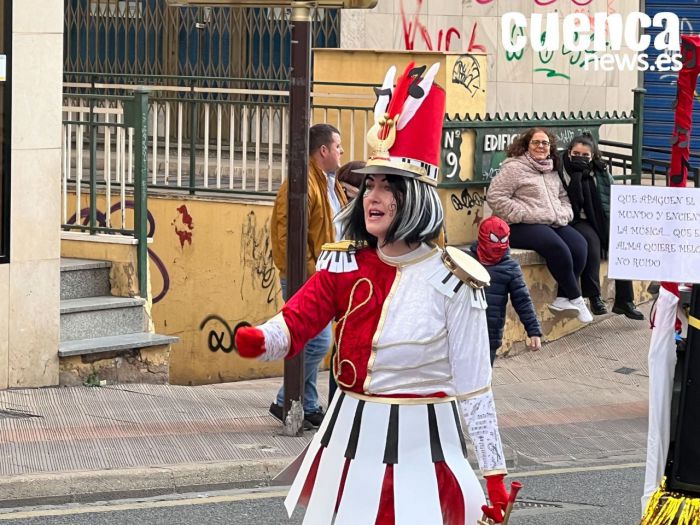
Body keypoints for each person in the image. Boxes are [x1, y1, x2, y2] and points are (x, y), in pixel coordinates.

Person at [235, 62, 513, 524]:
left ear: (417, 198)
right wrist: (264, 339)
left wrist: (495, 472)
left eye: (389, 186)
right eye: (370, 185)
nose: (373, 196)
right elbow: (300, 317)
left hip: (425, 446)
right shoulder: (344, 262)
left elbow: (475, 385)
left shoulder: (454, 282)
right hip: (350, 435)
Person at [269, 123, 348, 429]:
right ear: (323, 150)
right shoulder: (300, 184)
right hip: (306, 277)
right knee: (316, 343)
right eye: (337, 146)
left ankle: (310, 404)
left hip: (325, 274)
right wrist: (311, 272)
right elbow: (287, 234)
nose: (341, 152)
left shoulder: (330, 182)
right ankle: (282, 399)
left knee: (309, 340)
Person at [486, 127, 593, 324]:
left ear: (550, 147)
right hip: (518, 225)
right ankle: (577, 299)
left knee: (579, 245)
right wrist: (522, 213)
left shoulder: (551, 168)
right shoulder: (514, 168)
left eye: (545, 143)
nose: (541, 146)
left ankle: (562, 298)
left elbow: (562, 197)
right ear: (527, 145)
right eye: (536, 142)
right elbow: (495, 196)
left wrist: (564, 213)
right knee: (556, 246)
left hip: (551, 221)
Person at [559, 133, 644, 320]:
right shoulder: (561, 169)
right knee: (592, 243)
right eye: (576, 153)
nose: (580, 158)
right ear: (569, 152)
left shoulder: (600, 171)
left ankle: (625, 300)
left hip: (599, 216)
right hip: (575, 218)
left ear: (593, 156)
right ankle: (594, 296)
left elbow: (613, 195)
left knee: (621, 244)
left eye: (585, 155)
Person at [470, 216, 543, 364]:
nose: (498, 245)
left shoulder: (510, 268)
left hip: (489, 335)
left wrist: (534, 331)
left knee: (483, 380)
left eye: (503, 240)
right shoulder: (465, 261)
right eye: (494, 239)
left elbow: (523, 300)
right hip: (463, 330)